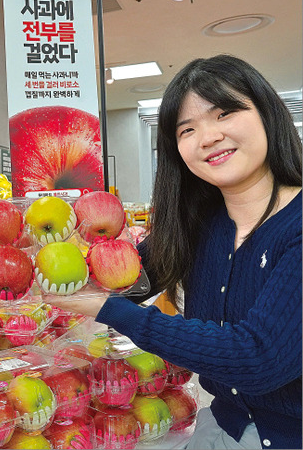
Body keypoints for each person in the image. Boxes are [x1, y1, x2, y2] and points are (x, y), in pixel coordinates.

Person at [45, 55, 301, 449]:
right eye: (187, 129)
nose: (208, 137)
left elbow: (257, 359)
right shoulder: (200, 224)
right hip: (225, 423)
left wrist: (105, 308)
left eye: (224, 114)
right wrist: (52, 266)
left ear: (267, 112)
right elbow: (132, 279)